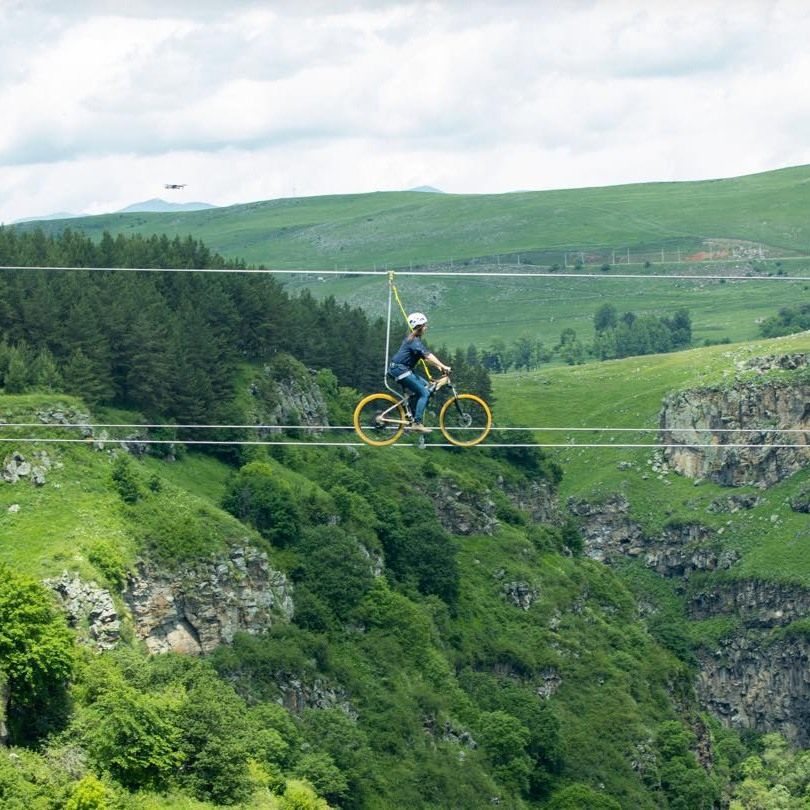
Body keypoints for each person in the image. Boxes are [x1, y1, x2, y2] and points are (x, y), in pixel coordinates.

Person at [387, 312, 451, 433]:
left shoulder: (413, 339)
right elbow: (427, 355)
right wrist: (443, 366)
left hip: (400, 370)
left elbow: (425, 357)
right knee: (425, 393)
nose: (426, 327)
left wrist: (439, 367)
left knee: (427, 387)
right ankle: (417, 423)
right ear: (419, 326)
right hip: (400, 370)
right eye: (425, 325)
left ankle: (411, 409)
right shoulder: (413, 341)